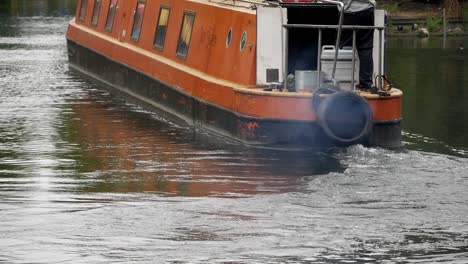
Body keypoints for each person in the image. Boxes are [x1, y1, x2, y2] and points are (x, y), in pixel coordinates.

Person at [339, 0, 376, 90]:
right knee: (365, 49)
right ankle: (366, 84)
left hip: (349, 11)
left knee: (345, 48)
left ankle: (343, 83)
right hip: (367, 11)